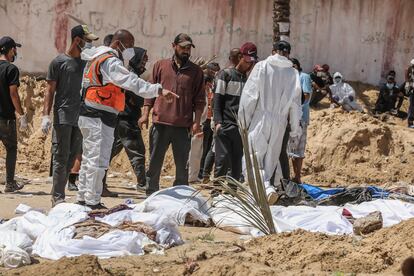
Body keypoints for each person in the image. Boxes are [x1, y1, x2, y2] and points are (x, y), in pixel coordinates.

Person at [76, 29, 177, 209]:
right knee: (98, 160)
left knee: (89, 159)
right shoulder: (110, 61)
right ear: (117, 43)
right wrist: (159, 90)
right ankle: (92, 202)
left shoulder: (95, 57)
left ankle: (83, 197)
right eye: (129, 45)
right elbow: (132, 82)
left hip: (90, 114)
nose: (131, 49)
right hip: (99, 116)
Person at [238, 40, 302, 205]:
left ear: (273, 51)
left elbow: (249, 97)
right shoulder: (293, 74)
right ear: (288, 53)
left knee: (253, 158)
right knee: (269, 162)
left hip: (261, 118)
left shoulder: (262, 67)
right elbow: (295, 106)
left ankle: (264, 190)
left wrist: (243, 122)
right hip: (280, 123)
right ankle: (264, 191)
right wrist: (295, 130)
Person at [141, 33, 205, 195]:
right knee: (155, 161)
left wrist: (196, 122)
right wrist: (144, 114)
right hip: (160, 123)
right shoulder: (160, 66)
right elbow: (150, 92)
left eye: (189, 48)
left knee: (182, 164)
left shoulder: (196, 72)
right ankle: (151, 191)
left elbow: (199, 100)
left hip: (182, 127)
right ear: (174, 46)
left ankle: (181, 192)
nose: (186, 51)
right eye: (183, 47)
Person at [42, 25, 98, 206]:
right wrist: (45, 116)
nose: (89, 44)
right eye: (87, 40)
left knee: (72, 157)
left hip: (80, 118)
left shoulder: (87, 64)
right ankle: (58, 198)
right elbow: (49, 90)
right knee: (60, 156)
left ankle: (58, 192)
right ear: (77, 40)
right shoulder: (58, 62)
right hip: (63, 117)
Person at [103, 47, 150, 192]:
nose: (145, 62)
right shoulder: (130, 75)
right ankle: (143, 184)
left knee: (108, 153)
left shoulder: (125, 73)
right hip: (127, 120)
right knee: (137, 152)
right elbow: (138, 98)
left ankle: (99, 183)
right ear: (135, 59)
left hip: (118, 119)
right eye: (143, 59)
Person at [213, 42, 258, 184]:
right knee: (222, 159)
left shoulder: (249, 79)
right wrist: (218, 122)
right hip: (226, 125)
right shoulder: (225, 75)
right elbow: (217, 99)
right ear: (240, 57)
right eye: (247, 61)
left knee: (237, 162)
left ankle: (234, 193)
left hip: (241, 128)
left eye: (252, 62)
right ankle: (217, 191)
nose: (249, 64)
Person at [0, 36, 27, 193]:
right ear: (10, 50)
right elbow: (13, 93)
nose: (15, 52)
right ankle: (10, 184)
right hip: (6, 118)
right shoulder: (11, 69)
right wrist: (21, 115)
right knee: (11, 148)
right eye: (14, 49)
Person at [288, 58, 312, 184]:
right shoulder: (291, 78)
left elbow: (306, 95)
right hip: (291, 118)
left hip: (301, 118)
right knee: (291, 149)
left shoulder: (304, 77)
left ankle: (297, 176)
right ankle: (294, 176)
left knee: (299, 149)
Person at [404, 61, 414, 128]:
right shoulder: (409, 70)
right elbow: (407, 81)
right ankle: (410, 123)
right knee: (412, 107)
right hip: (412, 91)